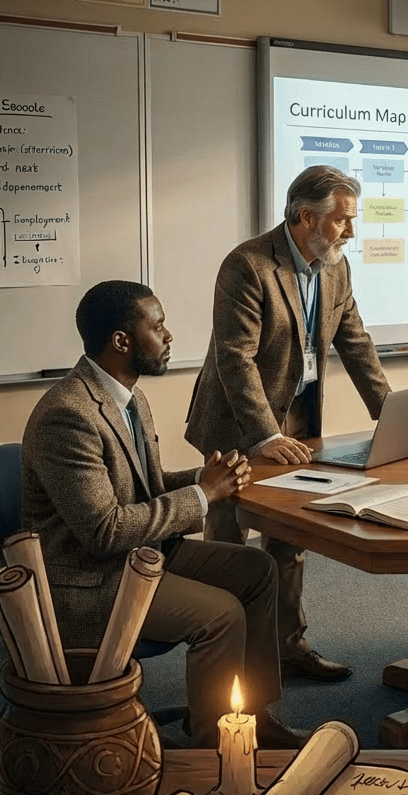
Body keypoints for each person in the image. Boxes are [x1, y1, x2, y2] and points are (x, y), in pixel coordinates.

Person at [21, 281, 307, 748]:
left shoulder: (130, 398)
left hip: (142, 555)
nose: (169, 336)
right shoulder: (68, 416)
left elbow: (144, 489)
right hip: (94, 580)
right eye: (158, 326)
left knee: (257, 569)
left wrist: (203, 477)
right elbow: (105, 530)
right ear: (121, 341)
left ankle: (250, 716)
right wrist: (203, 494)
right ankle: (215, 747)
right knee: (222, 615)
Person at [185, 166, 391, 681]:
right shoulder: (248, 265)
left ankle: (288, 646)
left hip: (297, 416)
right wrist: (265, 435)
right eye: (343, 220)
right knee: (228, 539)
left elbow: (355, 340)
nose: (351, 232)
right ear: (306, 217)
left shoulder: (335, 266)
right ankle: (226, 656)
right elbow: (235, 358)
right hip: (239, 422)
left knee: (289, 537)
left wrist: (388, 411)